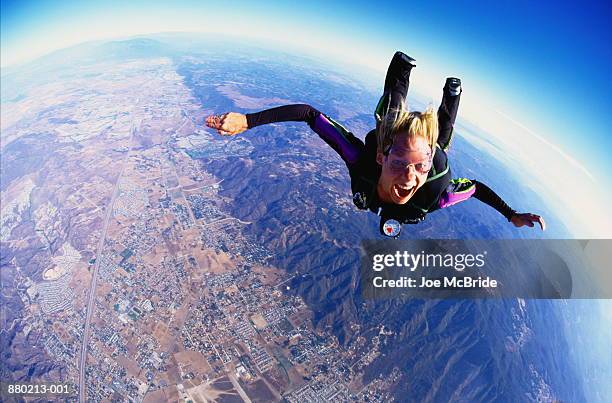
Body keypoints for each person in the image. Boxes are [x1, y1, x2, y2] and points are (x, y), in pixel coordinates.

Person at [206, 52, 545, 237]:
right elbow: (309, 114)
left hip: (419, 153)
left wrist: (511, 215)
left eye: (418, 169)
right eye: (400, 164)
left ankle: (435, 89)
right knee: (414, 126)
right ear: (383, 160)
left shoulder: (379, 170)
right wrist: (248, 121)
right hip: (405, 148)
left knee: (422, 133)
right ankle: (423, 80)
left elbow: (310, 116)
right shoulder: (431, 195)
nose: (411, 178)